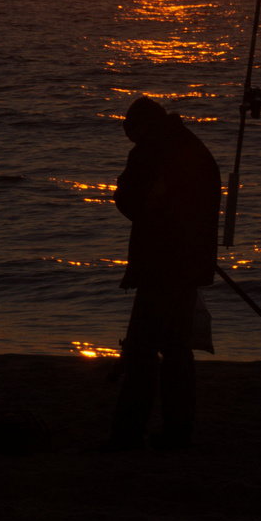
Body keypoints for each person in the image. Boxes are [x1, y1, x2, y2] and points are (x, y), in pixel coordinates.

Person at [106, 96, 220, 451]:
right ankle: (178, 432)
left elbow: (129, 201)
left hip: (160, 264)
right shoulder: (194, 146)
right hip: (190, 264)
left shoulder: (151, 149)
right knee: (176, 350)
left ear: (139, 129)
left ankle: (127, 434)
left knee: (141, 351)